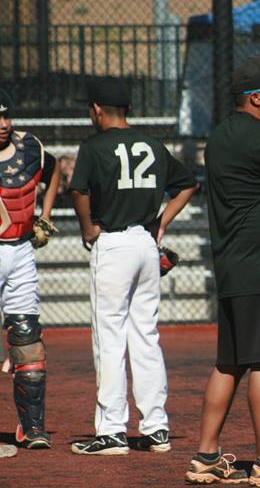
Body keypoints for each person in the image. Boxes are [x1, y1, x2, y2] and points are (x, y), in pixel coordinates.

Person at [184, 56, 260, 486]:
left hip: (232, 264)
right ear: (254, 98)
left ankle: (206, 454)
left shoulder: (220, 135)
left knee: (229, 363)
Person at [69, 77, 199, 455]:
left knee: (109, 338)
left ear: (97, 109)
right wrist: (161, 223)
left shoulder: (94, 146)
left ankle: (112, 430)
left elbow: (78, 190)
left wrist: (87, 228)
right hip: (145, 242)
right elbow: (188, 184)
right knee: (145, 335)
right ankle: (156, 427)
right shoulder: (152, 144)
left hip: (114, 243)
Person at [0, 90, 61, 449]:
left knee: (27, 338)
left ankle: (33, 427)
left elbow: (54, 169)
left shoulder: (30, 147)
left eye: (6, 116)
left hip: (21, 248)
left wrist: (45, 215)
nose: (3, 124)